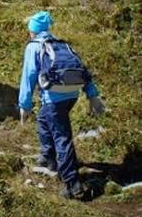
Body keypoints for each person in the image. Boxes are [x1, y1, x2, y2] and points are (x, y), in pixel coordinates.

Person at [18, 11, 106, 200]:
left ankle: (72, 184)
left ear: (33, 30)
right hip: (71, 95)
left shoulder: (33, 47)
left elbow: (28, 77)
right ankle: (47, 157)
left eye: (29, 30)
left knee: (62, 137)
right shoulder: (61, 44)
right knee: (44, 119)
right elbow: (82, 70)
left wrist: (24, 105)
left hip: (54, 98)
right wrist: (92, 95)